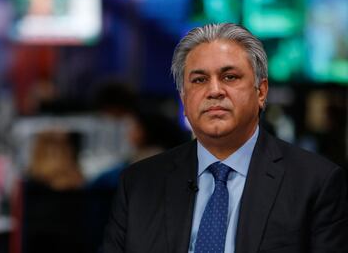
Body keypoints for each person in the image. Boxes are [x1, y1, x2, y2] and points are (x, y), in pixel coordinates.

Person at [102, 23, 348, 253]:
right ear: (184, 100)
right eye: (199, 80)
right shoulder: (138, 184)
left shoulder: (316, 183)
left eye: (229, 77)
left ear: (261, 92)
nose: (214, 91)